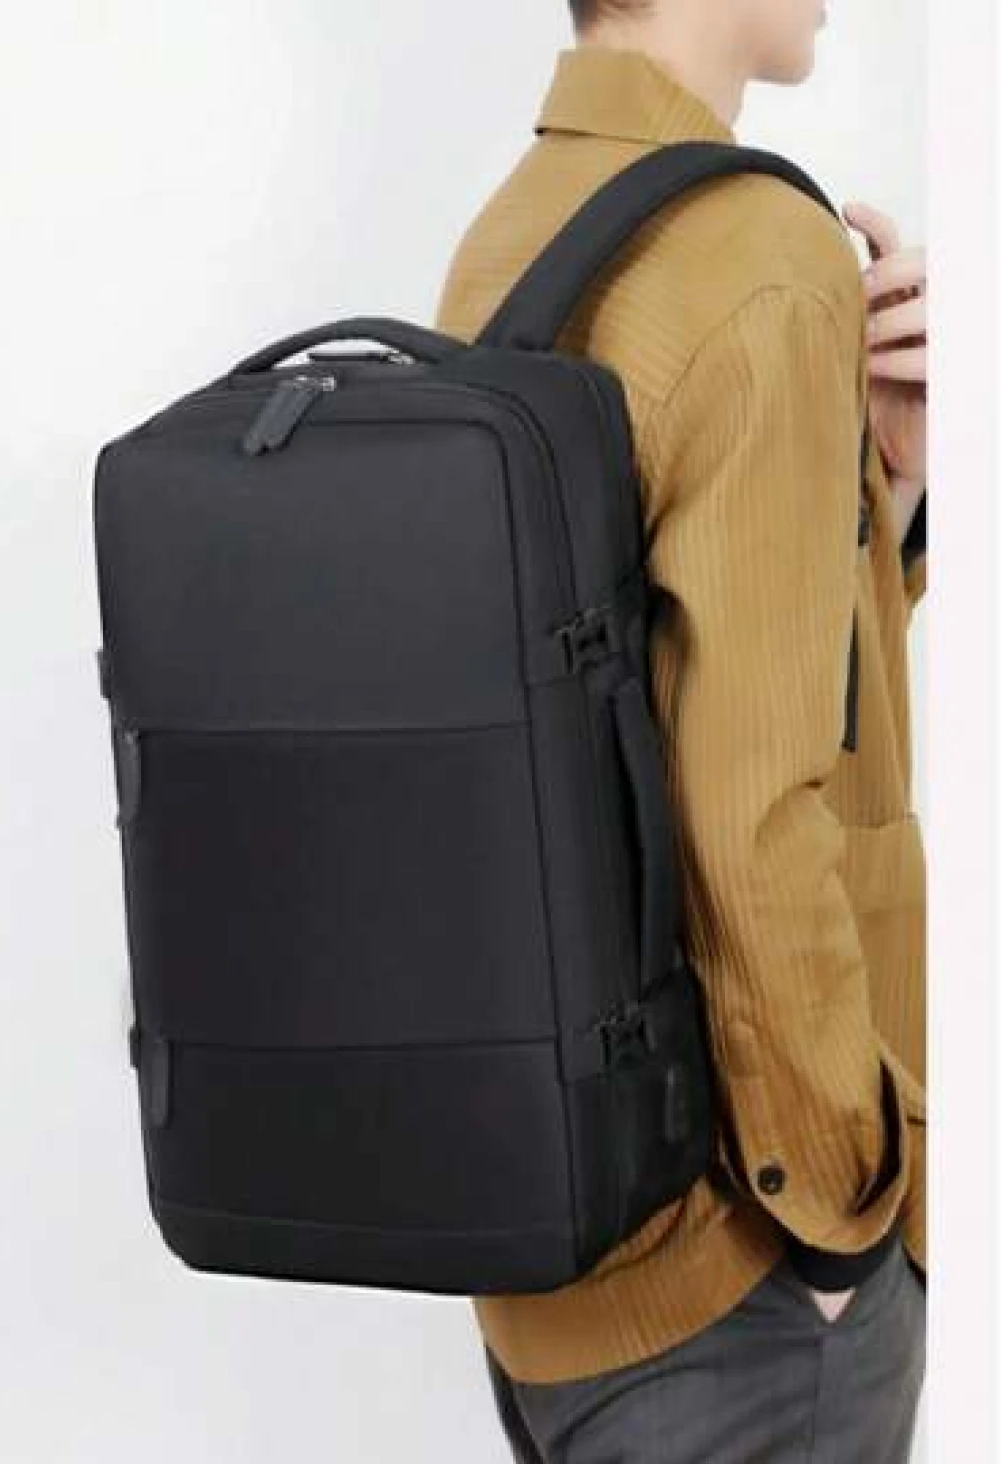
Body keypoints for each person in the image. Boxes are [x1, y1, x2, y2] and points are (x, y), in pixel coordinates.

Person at [433, 2, 928, 1459]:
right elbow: (747, 807)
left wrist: (883, 499)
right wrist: (839, 1221)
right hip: (742, 1272)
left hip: (561, 1239)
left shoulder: (514, 228)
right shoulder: (762, 255)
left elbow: (613, 688)